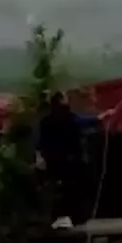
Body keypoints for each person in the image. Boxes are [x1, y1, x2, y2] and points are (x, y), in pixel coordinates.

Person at [36, 92, 87, 228]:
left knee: (55, 190)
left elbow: (40, 142)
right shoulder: (70, 118)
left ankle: (55, 218)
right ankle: (71, 217)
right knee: (70, 189)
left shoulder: (45, 120)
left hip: (52, 160)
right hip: (68, 160)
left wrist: (40, 157)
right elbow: (81, 123)